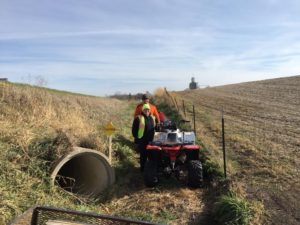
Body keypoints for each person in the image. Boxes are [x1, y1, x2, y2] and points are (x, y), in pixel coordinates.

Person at [132, 103, 155, 172]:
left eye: (148, 110)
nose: (147, 111)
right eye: (145, 110)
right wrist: (137, 139)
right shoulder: (138, 118)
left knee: (151, 156)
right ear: (142, 110)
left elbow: (154, 128)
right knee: (143, 156)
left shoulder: (152, 118)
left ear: (150, 110)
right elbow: (134, 130)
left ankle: (150, 170)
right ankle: (142, 169)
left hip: (151, 141)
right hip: (143, 141)